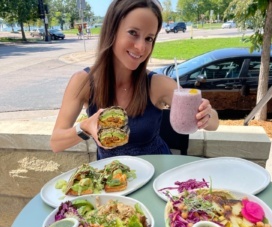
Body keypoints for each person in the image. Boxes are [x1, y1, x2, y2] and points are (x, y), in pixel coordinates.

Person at [50, 0, 219, 159]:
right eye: (133, 33)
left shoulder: (157, 84)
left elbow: (214, 122)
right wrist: (85, 127)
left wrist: (206, 114)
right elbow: (56, 143)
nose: (141, 47)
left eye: (149, 38)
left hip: (158, 177)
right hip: (114, 182)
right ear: (112, 30)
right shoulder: (83, 82)